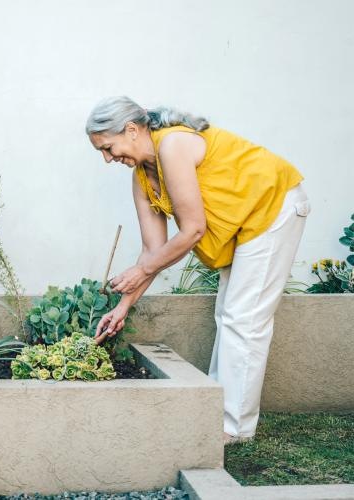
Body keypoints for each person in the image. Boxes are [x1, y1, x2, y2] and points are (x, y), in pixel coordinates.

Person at [86, 96, 310, 443]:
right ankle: (218, 414)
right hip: (242, 222)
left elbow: (191, 230)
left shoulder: (172, 146)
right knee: (230, 316)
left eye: (108, 147)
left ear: (131, 130)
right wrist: (122, 307)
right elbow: (153, 251)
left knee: (243, 319)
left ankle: (235, 428)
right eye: (101, 151)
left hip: (272, 206)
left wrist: (140, 271)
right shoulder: (142, 178)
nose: (107, 158)